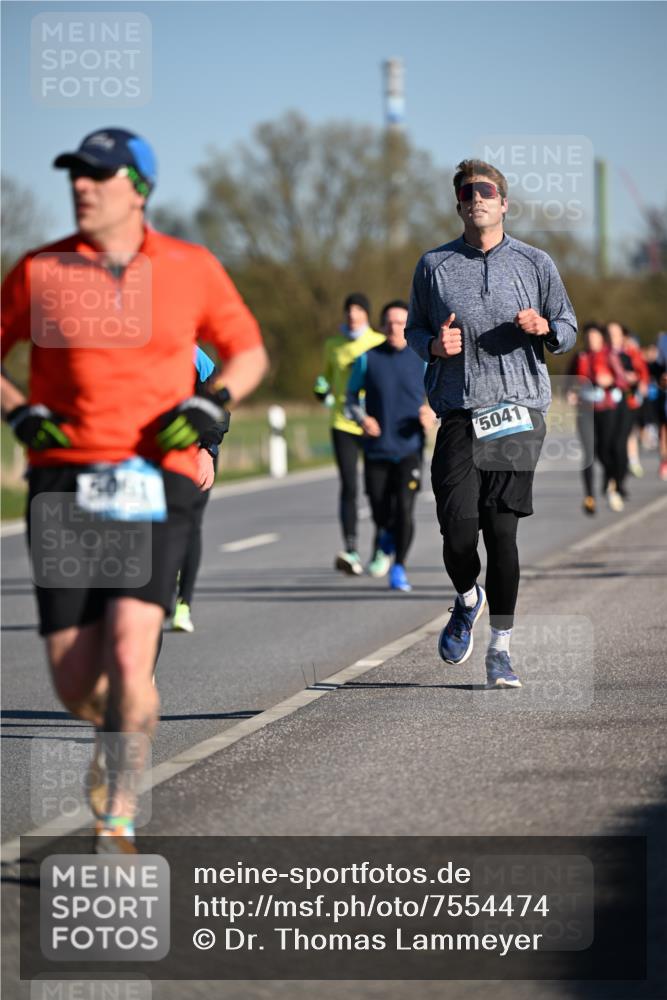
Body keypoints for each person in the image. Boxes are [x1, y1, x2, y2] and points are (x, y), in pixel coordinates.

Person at [1, 127, 268, 851]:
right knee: (74, 681)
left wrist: (213, 403)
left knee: (129, 654)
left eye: (99, 175)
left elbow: (246, 352)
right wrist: (17, 409)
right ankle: (112, 731)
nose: (81, 187)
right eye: (75, 176)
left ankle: (117, 811)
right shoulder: (40, 270)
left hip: (155, 477)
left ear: (139, 189)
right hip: (64, 479)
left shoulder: (189, 267)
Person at [406, 158, 576, 689]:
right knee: (458, 531)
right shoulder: (434, 265)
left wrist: (545, 326)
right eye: (466, 192)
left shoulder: (535, 262)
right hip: (459, 410)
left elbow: (568, 326)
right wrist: (434, 345)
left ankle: (500, 648)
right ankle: (467, 597)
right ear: (458, 205)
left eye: (485, 191)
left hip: (517, 410)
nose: (476, 198)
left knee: (502, 533)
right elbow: (413, 331)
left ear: (504, 203)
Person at [346, 300, 436, 592]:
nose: (395, 328)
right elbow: (350, 399)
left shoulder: (422, 358)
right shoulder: (367, 358)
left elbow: (438, 396)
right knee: (380, 512)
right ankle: (385, 536)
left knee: (405, 511)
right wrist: (363, 418)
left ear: (409, 327)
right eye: (390, 323)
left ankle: (399, 567)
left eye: (401, 323)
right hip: (376, 449)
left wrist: (431, 413)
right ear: (382, 326)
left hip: (410, 448)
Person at [314, 293, 384, 575]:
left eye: (358, 310)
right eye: (349, 310)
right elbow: (326, 378)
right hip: (342, 422)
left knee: (377, 489)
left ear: (367, 314)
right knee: (349, 486)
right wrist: (321, 388)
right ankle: (351, 550)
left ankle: (380, 549)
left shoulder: (378, 342)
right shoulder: (333, 344)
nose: (353, 315)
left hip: (372, 423)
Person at [171, 346, 226, 633]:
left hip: (196, 452)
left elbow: (219, 402)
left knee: (190, 523)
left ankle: (184, 604)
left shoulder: (193, 354)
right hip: (152, 457)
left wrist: (208, 449)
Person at [567, 322, 623, 515]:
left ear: (601, 338)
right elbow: (568, 381)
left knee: (604, 451)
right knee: (588, 453)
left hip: (606, 409)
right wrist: (570, 392)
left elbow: (622, 380)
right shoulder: (579, 357)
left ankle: (612, 482)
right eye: (588, 338)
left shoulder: (610, 356)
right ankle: (589, 497)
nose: (591, 340)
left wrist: (610, 382)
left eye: (595, 337)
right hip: (585, 410)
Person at [604, 321, 648, 501]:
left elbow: (642, 374)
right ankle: (611, 477)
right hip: (607, 404)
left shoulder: (630, 353)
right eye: (609, 333)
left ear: (622, 336)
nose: (612, 337)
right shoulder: (602, 354)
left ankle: (619, 482)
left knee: (620, 443)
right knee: (606, 445)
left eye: (615, 333)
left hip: (627, 402)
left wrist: (636, 379)